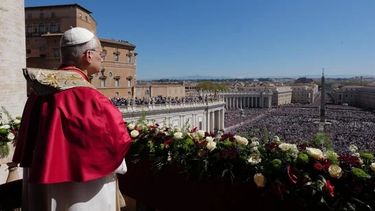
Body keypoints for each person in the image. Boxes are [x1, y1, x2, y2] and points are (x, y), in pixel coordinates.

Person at [13, 27, 132, 211]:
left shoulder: (38, 92)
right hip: (84, 190)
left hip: (42, 182)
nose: (102, 57)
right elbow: (118, 139)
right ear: (88, 55)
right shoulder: (90, 97)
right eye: (101, 53)